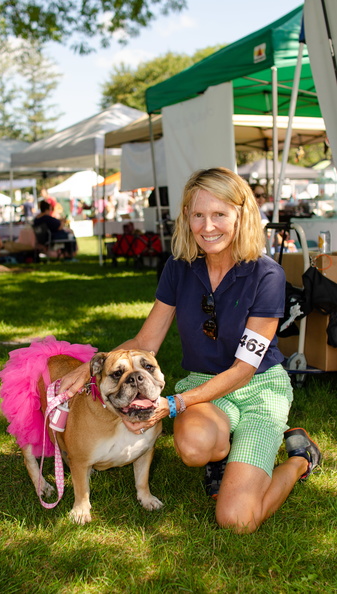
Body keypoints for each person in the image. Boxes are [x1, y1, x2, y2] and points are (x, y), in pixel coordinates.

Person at [59, 167, 322, 533]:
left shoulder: (267, 274)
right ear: (186, 217)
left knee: (237, 520)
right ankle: (224, 452)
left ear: (241, 215)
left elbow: (243, 370)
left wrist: (174, 404)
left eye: (219, 214)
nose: (207, 226)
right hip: (205, 382)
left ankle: (300, 458)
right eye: (198, 214)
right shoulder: (179, 268)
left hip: (258, 386)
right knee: (195, 447)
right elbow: (146, 342)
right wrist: (87, 366)